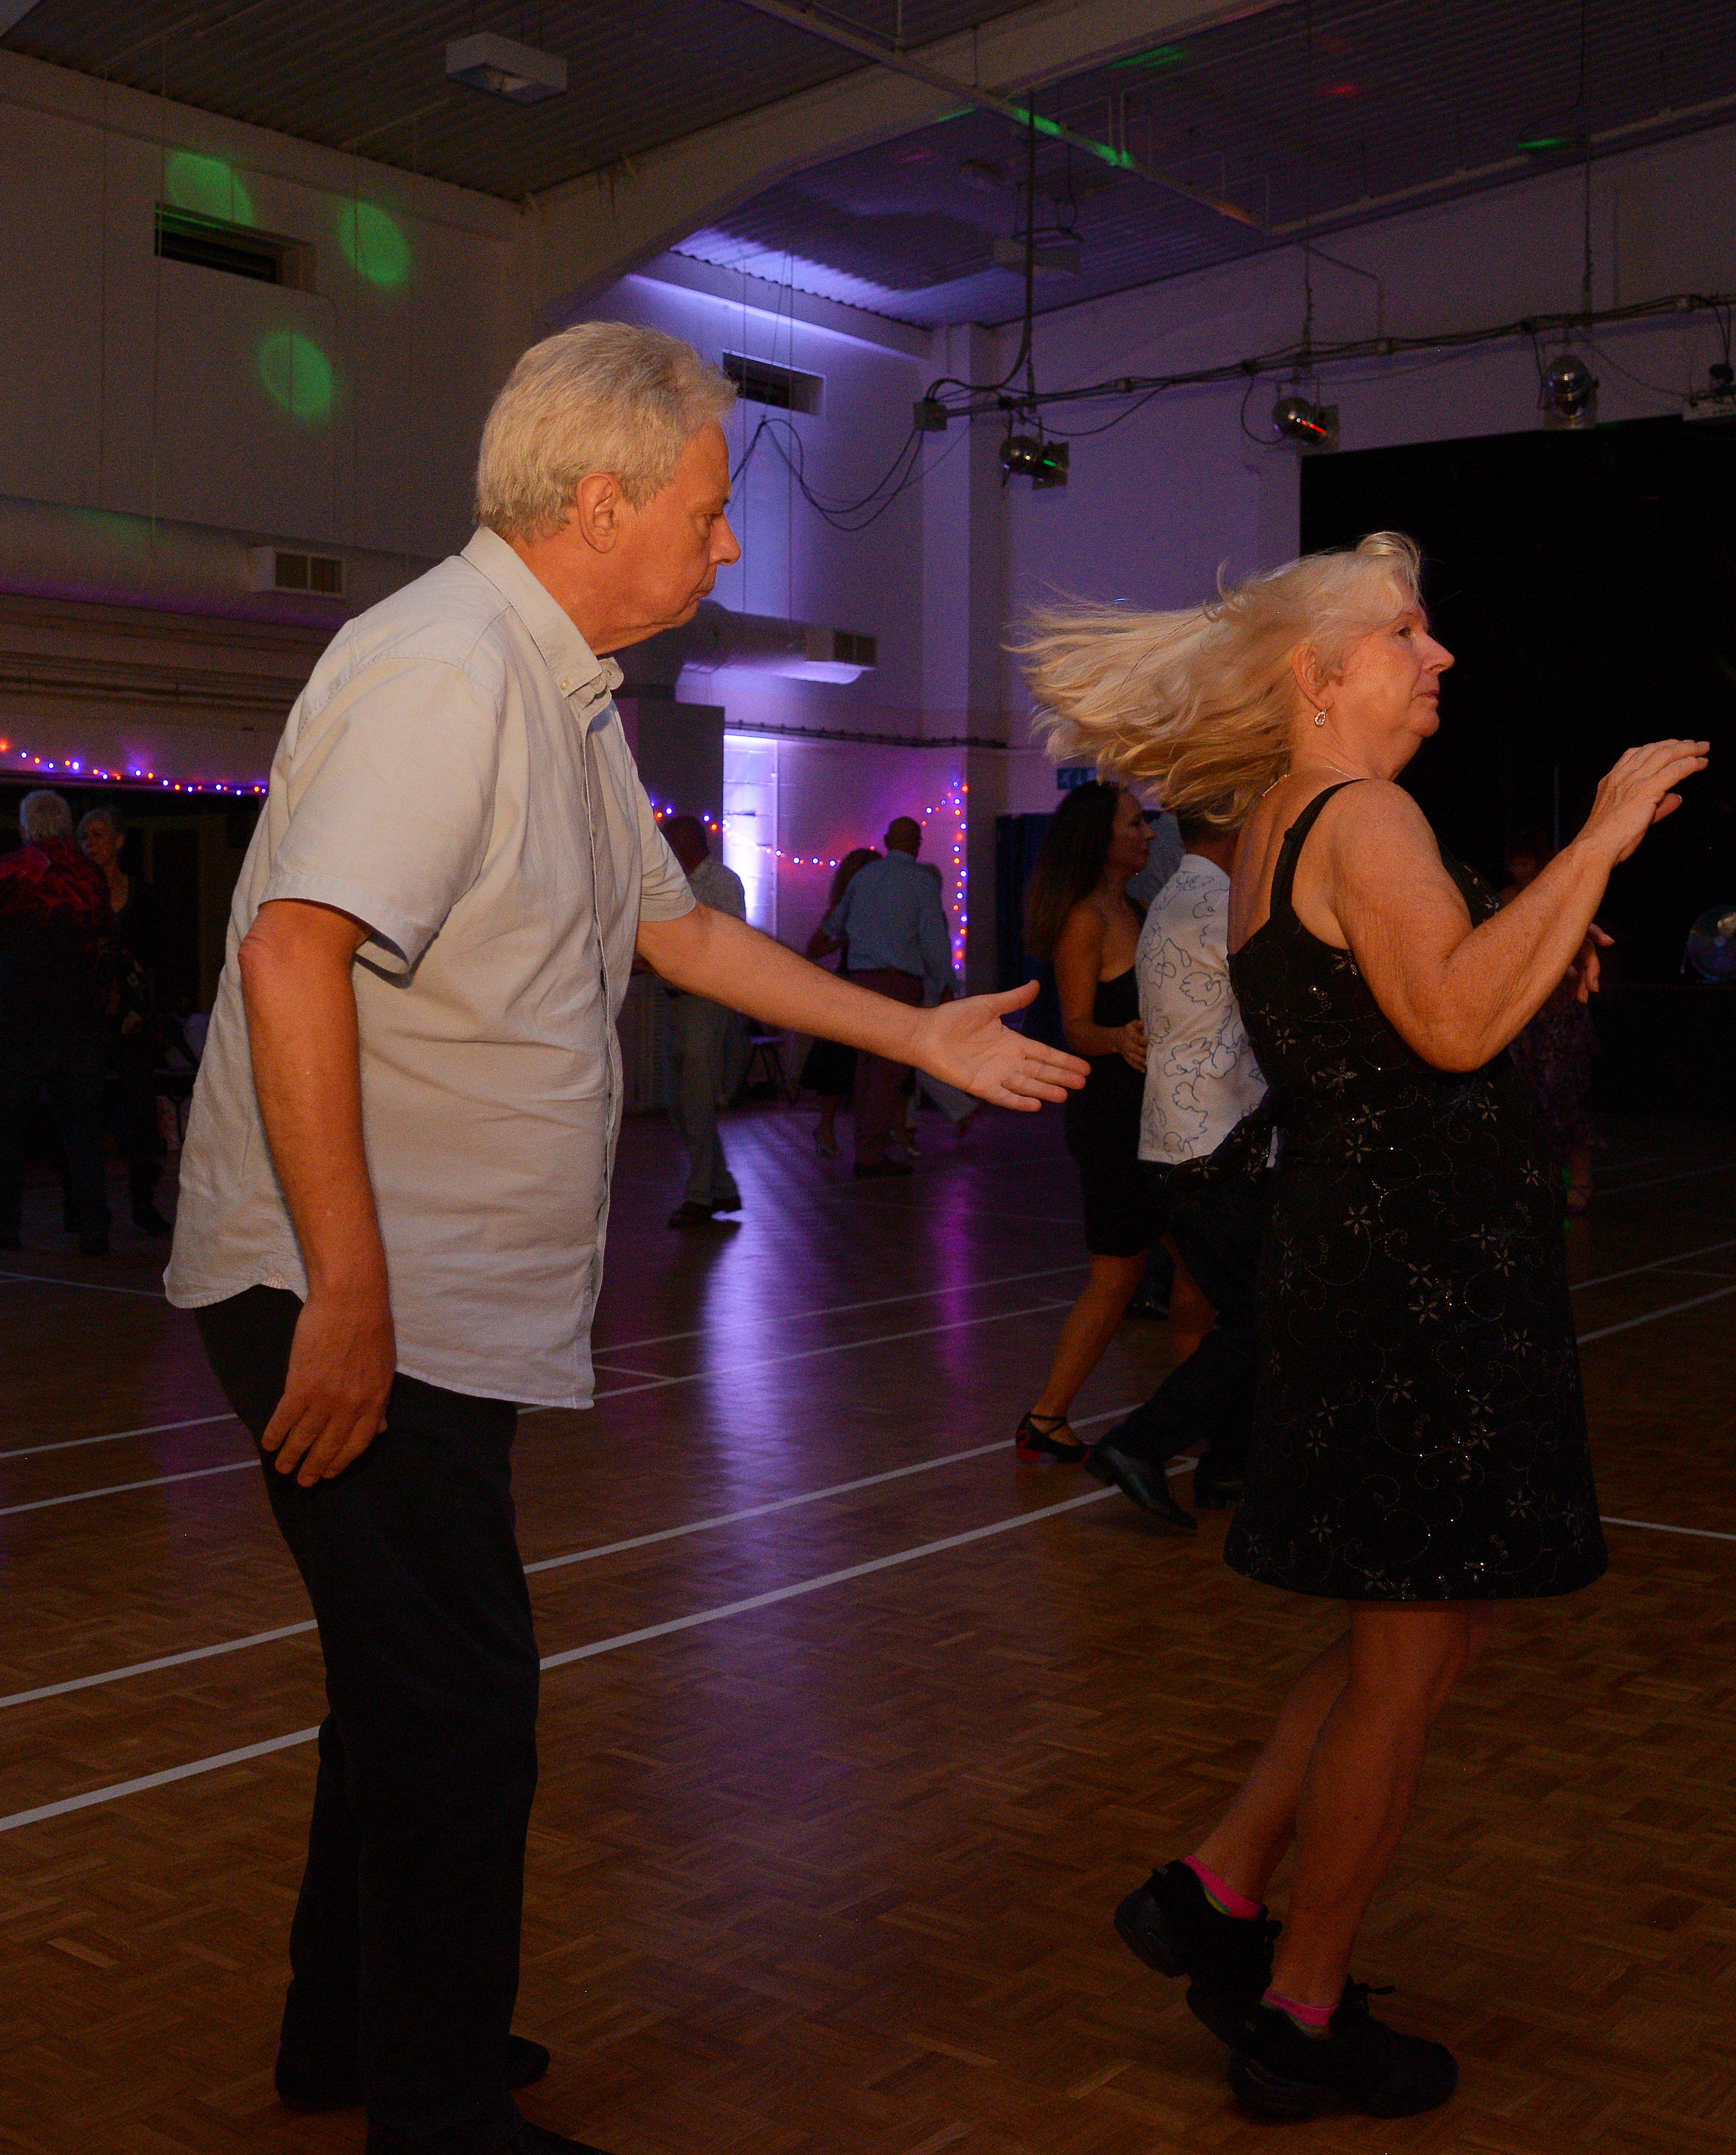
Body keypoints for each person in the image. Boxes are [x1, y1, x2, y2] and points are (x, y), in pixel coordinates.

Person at [162, 322, 1085, 2155]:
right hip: (354, 1283)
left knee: (407, 1682)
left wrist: (915, 1034)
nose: (724, 544)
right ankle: (434, 2108)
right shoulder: (446, 670)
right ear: (598, 502)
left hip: (421, 1287)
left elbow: (678, 933)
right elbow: (289, 953)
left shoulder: (556, 683)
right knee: (461, 1703)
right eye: (706, 508)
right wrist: (348, 1284)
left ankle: (350, 2034)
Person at [1023, 531, 1698, 2121]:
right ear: (1320, 672)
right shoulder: (1366, 814)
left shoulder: (1281, 822)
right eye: (1407, 632)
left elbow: (1421, 1004)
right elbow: (1452, 1024)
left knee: (1427, 1626)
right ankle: (1302, 2013)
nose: (1437, 653)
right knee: (1406, 1658)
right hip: (1415, 1285)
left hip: (1381, 1262)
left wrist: (1537, 937)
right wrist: (1602, 839)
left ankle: (1216, 1885)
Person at [1083, 803, 1269, 1529]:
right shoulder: (1220, 904)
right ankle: (1138, 1444)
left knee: (1245, 1311)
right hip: (1212, 1142)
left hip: (1182, 1139)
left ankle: (1227, 1467)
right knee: (1259, 1317)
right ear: (1236, 826)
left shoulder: (1174, 895)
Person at [1009, 780, 1167, 1465]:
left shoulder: (1136, 908)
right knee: (1117, 1273)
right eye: (1134, 824)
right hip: (1111, 1117)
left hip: (1155, 1115)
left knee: (1193, 1274)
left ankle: (1196, 1419)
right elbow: (1075, 1027)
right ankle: (1046, 1416)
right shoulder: (1086, 921)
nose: (1148, 834)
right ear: (1101, 840)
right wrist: (1119, 1038)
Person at [0, 789, 113, 1254]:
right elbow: (102, 935)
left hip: (18, 1020)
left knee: (6, 1126)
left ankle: (3, 1228)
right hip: (79, 1019)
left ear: (24, 827)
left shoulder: (14, 868)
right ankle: (93, 1227)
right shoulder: (90, 875)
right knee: (83, 1128)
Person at [814, 815, 955, 1177]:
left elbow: (834, 924)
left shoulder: (864, 877)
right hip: (899, 983)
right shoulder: (922, 881)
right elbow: (934, 940)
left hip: (860, 981)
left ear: (888, 840)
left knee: (866, 1069)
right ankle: (870, 1154)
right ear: (918, 844)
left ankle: (866, 1147)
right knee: (887, 1074)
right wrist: (945, 983)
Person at [1496, 830, 1602, 1211]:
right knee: (1526, 1096)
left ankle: (1581, 1181)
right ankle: (1538, 1181)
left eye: (1525, 861)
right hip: (1523, 1007)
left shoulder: (1555, 894)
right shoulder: (1506, 898)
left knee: (1563, 1094)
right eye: (1514, 862)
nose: (1519, 868)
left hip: (1558, 1010)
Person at [79, 804, 172, 1235]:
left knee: (140, 1110)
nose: (91, 843)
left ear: (118, 841)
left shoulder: (143, 894)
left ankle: (143, 1203)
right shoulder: (76, 897)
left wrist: (142, 1007)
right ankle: (85, 1207)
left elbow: (157, 957)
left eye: (99, 834)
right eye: (86, 836)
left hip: (134, 1017)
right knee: (86, 1109)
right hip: (89, 1015)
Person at [657, 813, 747, 1229]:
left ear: (689, 843)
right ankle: (720, 1186)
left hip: (705, 1001)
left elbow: (728, 943)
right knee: (682, 1103)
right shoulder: (677, 884)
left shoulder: (721, 883)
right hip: (680, 999)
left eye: (670, 841)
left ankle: (700, 1196)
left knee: (695, 1102)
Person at [799, 846, 878, 1155]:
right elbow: (814, 948)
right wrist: (841, 942)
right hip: (848, 989)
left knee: (864, 1065)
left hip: (867, 989)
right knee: (838, 1062)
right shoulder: (841, 911)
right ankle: (828, 1127)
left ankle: (863, 1132)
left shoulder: (877, 911)